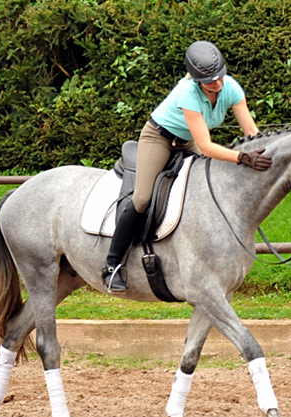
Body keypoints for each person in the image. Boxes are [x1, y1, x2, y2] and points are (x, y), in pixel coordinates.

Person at [102, 40, 273, 292]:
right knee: (141, 199)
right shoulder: (187, 94)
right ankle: (112, 264)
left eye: (220, 77)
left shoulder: (232, 88)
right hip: (159, 138)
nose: (217, 83)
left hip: (186, 140)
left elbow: (251, 132)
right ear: (196, 80)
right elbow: (206, 147)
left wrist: (260, 154)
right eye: (210, 81)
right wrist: (241, 158)